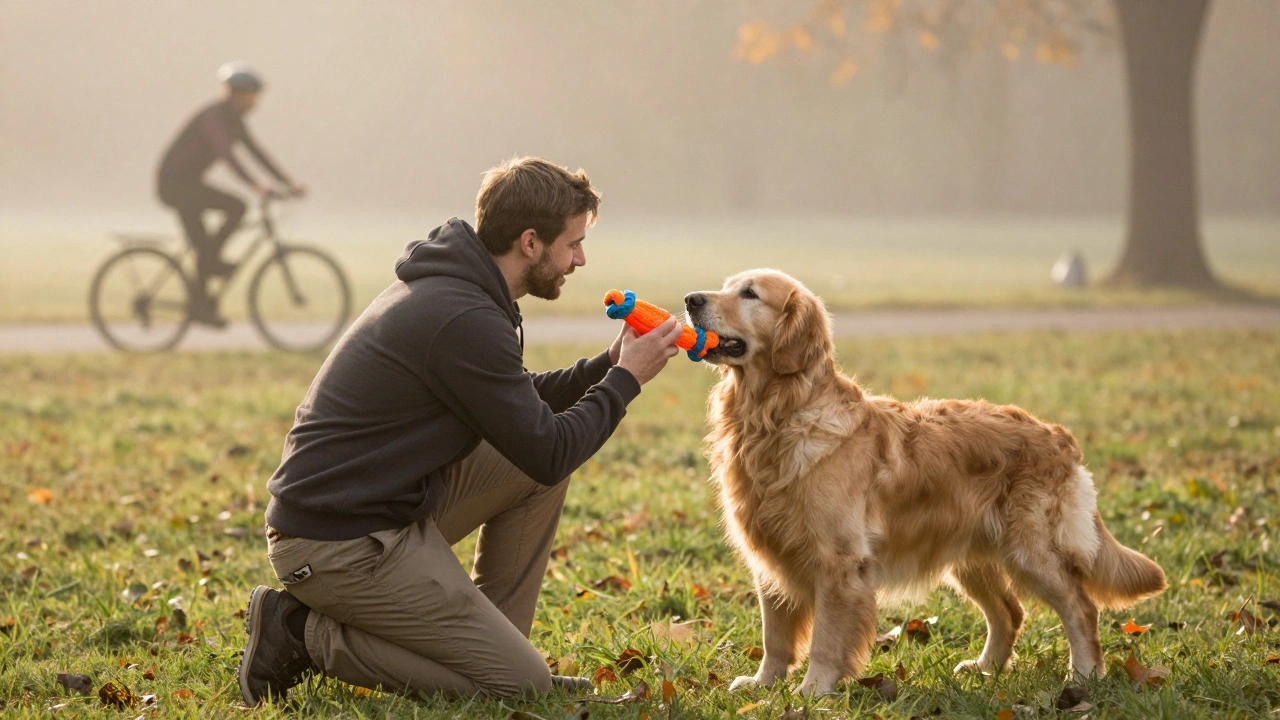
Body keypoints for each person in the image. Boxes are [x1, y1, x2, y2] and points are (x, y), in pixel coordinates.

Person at [237, 157, 683, 705]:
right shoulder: (462, 316)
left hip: (384, 508)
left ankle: (491, 652)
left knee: (530, 477)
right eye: (572, 244)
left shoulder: (461, 291)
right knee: (522, 685)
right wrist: (626, 379)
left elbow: (520, 411)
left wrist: (603, 366)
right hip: (336, 543)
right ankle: (303, 634)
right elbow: (549, 449)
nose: (580, 259)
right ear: (529, 242)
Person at [156, 62, 304, 327]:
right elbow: (226, 152)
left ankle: (202, 303)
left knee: (206, 245)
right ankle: (211, 267)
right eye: (253, 95)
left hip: (189, 184)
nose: (256, 101)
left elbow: (257, 152)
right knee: (235, 208)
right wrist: (255, 184)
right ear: (238, 94)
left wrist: (287, 182)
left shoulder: (234, 120)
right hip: (175, 185)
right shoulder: (214, 117)